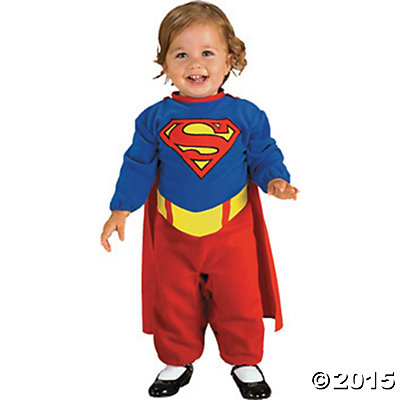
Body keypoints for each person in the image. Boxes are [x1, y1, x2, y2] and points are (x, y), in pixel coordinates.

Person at [101, 1, 298, 398]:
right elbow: (138, 165)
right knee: (173, 300)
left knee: (240, 297)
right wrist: (120, 209)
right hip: (173, 232)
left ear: (229, 60)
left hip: (232, 232)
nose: (195, 63)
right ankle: (177, 358)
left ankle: (244, 360)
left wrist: (275, 179)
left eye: (207, 53)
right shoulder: (154, 119)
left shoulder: (246, 115)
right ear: (164, 64)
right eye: (181, 54)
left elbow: (263, 155)